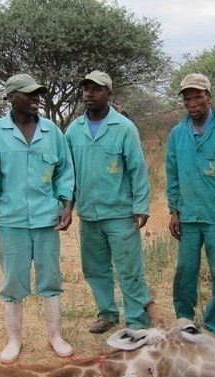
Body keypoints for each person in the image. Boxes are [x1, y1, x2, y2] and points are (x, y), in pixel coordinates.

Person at [0, 73, 75, 364]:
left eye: (38, 93)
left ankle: (55, 335)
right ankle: (14, 339)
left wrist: (67, 204)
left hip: (47, 221)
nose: (35, 98)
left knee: (51, 279)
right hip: (11, 222)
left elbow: (65, 171)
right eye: (28, 93)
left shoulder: (52, 132)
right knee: (13, 282)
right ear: (10, 97)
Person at [65, 70, 152, 333]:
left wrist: (141, 206)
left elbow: (137, 169)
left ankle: (137, 321)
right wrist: (67, 206)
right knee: (94, 269)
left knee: (129, 270)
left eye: (96, 89)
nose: (89, 93)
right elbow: (68, 173)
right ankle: (107, 314)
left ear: (108, 93)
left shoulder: (124, 128)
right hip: (89, 214)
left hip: (120, 214)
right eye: (86, 89)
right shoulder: (74, 130)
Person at [165, 73, 215, 337]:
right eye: (187, 98)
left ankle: (214, 326)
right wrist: (174, 210)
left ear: (208, 96)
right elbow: (172, 173)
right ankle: (184, 323)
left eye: (198, 96)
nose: (192, 103)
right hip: (187, 216)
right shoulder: (177, 134)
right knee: (185, 272)